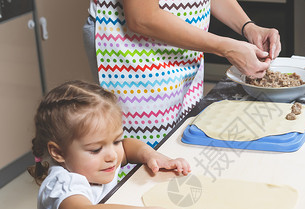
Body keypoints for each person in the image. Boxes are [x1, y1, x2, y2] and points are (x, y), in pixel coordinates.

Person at [83, 0, 281, 174]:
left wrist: (248, 26)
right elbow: (142, 17)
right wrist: (226, 47)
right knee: (144, 161)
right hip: (134, 53)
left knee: (176, 149)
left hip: (184, 51)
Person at [28, 80, 200, 209]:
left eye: (115, 141)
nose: (112, 156)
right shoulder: (62, 183)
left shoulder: (101, 160)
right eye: (96, 149)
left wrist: (151, 155)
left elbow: (127, 146)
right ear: (58, 152)